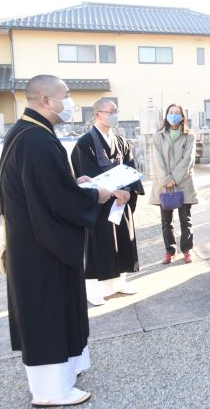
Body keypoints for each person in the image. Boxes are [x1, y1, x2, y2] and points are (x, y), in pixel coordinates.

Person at [0, 75, 113, 406]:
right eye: (65, 95)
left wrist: (75, 183)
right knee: (48, 309)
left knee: (51, 308)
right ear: (45, 100)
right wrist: (95, 195)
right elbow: (57, 200)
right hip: (41, 245)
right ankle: (51, 392)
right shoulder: (37, 140)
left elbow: (48, 188)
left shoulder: (26, 132)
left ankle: (64, 375)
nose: (70, 101)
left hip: (32, 238)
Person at [71, 98, 145, 306]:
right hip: (101, 204)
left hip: (122, 202)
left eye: (116, 110)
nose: (114, 114)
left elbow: (131, 168)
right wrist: (114, 192)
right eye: (110, 111)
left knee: (123, 240)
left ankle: (119, 282)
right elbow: (87, 174)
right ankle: (94, 289)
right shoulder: (84, 144)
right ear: (97, 114)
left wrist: (128, 191)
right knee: (99, 244)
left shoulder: (121, 141)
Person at [150, 103, 197, 264]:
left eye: (177, 113)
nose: (174, 115)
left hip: (183, 181)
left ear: (183, 116)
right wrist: (166, 179)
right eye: (171, 112)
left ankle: (187, 249)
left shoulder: (189, 135)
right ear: (166, 115)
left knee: (186, 219)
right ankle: (170, 251)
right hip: (163, 183)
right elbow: (157, 159)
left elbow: (188, 159)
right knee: (166, 221)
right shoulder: (158, 135)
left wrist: (174, 178)